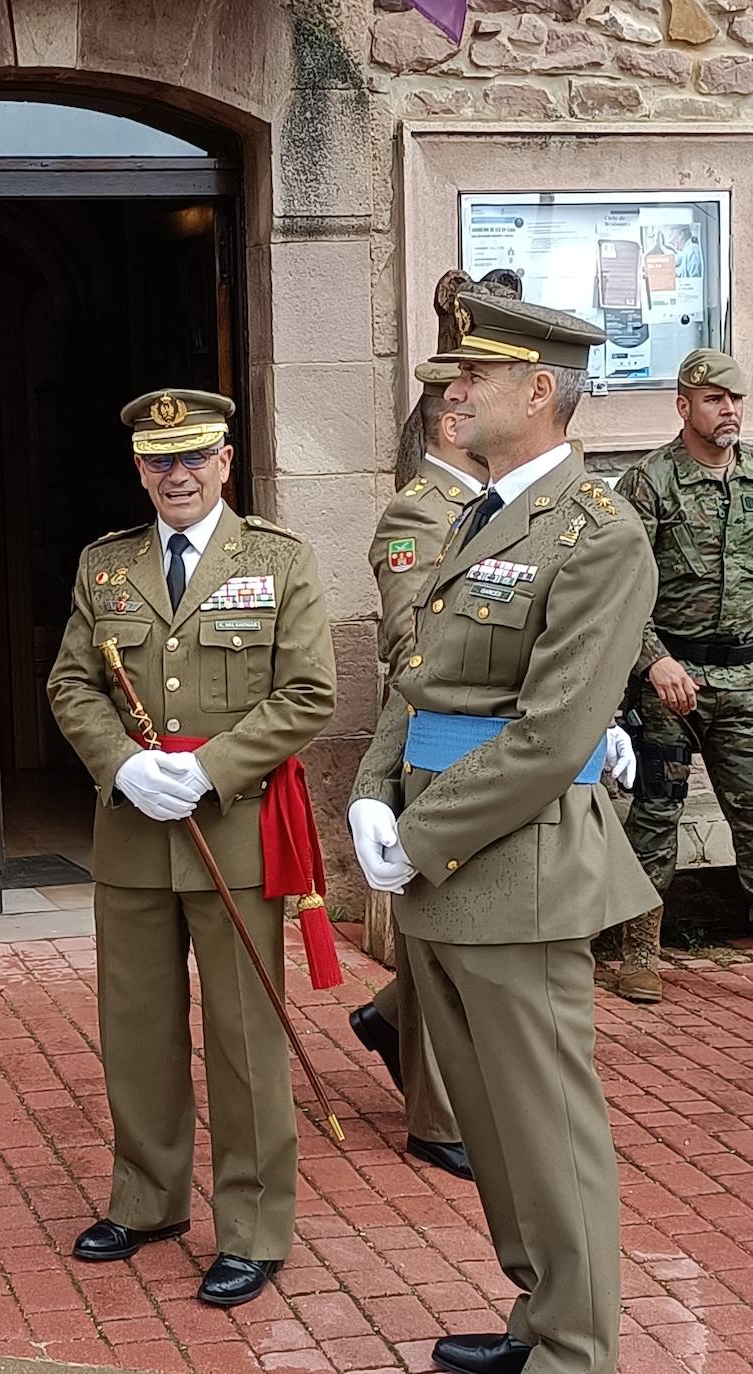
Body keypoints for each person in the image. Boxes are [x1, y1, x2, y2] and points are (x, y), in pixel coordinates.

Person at [354, 295, 659, 1374]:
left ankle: (577, 1350)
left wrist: (416, 830)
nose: (451, 392)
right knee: (488, 1130)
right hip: (444, 863)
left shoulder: (595, 529)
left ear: (540, 391)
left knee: (547, 1136)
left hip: (517, 870)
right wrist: (370, 788)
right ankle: (537, 1314)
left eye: (472, 376)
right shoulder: (480, 513)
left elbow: (548, 735)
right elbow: (419, 671)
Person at [46, 389, 335, 1308]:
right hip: (132, 836)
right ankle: (146, 1200)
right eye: (158, 462)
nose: (176, 476)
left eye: (193, 458)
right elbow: (71, 682)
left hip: (232, 833)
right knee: (136, 1031)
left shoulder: (279, 562)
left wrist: (207, 767)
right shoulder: (106, 567)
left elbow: (307, 694)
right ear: (139, 471)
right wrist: (121, 766)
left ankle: (251, 1228)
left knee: (245, 1040)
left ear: (224, 463)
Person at [347, 361, 485, 1181]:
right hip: (433, 742)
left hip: (488, 742)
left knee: (466, 928)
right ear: (448, 422)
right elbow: (412, 645)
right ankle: (436, 1117)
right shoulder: (418, 512)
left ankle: (390, 1016)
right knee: (437, 929)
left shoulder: (498, 507)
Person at [616, 348, 753, 1002]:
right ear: (682, 406)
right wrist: (653, 660)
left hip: (743, 679)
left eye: (734, 400)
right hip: (670, 679)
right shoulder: (649, 482)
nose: (727, 411)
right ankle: (638, 948)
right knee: (654, 814)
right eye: (713, 400)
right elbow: (620, 588)